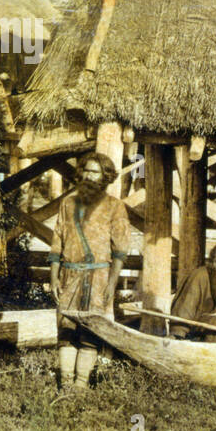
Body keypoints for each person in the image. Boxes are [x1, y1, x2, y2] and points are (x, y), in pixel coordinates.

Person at [48, 152, 131, 390]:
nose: (89, 176)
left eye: (95, 172)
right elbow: (57, 242)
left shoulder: (115, 207)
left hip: (98, 278)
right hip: (68, 276)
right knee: (66, 331)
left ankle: (81, 385)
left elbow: (120, 251)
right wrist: (53, 278)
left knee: (90, 333)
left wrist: (112, 284)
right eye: (86, 171)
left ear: (106, 177)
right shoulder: (68, 203)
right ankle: (66, 384)